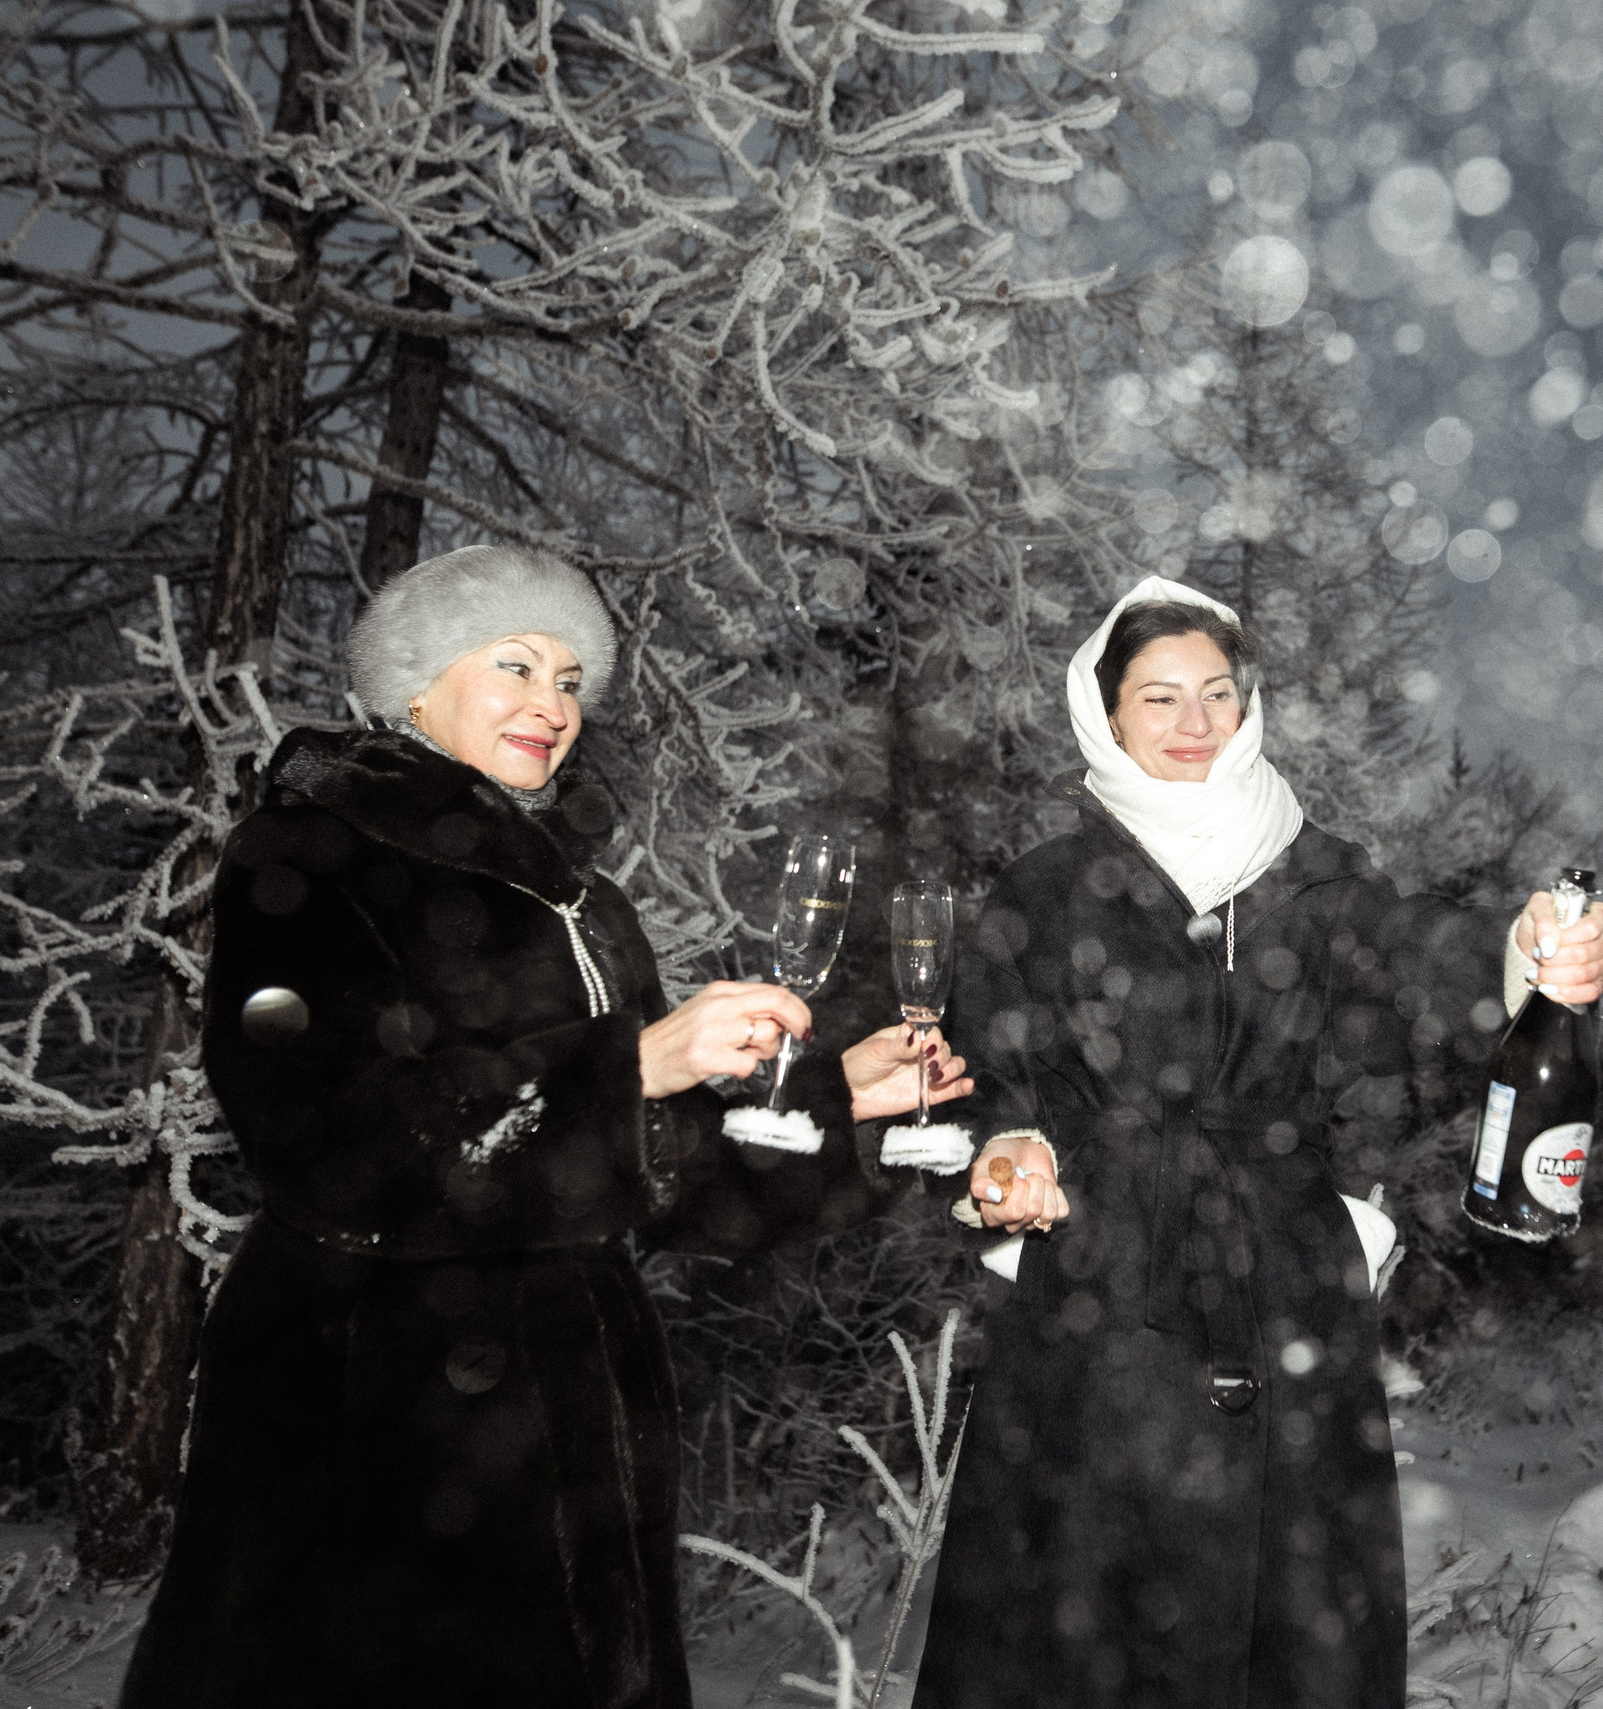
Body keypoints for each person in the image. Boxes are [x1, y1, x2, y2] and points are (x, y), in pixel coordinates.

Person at [120, 544, 968, 1709]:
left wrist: (843, 1106)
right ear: (416, 683)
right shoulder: (314, 849)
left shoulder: (580, 900)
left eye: (572, 678)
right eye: (514, 663)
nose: (551, 704)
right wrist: (632, 1059)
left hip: (569, 1414)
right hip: (373, 1406)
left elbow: (663, 1179)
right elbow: (324, 1138)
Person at [910, 577, 1603, 1709]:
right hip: (1098, 1287)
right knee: (1079, 1618)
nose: (1197, 724)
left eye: (1218, 694)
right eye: (1160, 697)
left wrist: (1529, 957)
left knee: (1290, 1627)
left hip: (1287, 1286)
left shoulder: (1322, 880)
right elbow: (981, 1077)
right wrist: (1008, 1152)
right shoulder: (1040, 892)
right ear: (1105, 714)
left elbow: (1433, 993)